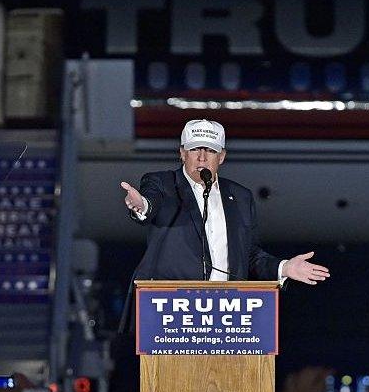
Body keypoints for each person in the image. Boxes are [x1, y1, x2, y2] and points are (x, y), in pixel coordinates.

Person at [120, 119, 330, 284]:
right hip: (170, 310)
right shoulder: (162, 183)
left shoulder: (240, 197)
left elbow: (248, 255)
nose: (202, 157)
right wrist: (142, 206)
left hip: (224, 310)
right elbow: (149, 203)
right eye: (195, 149)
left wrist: (284, 268)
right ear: (182, 153)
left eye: (210, 150)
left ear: (221, 157)